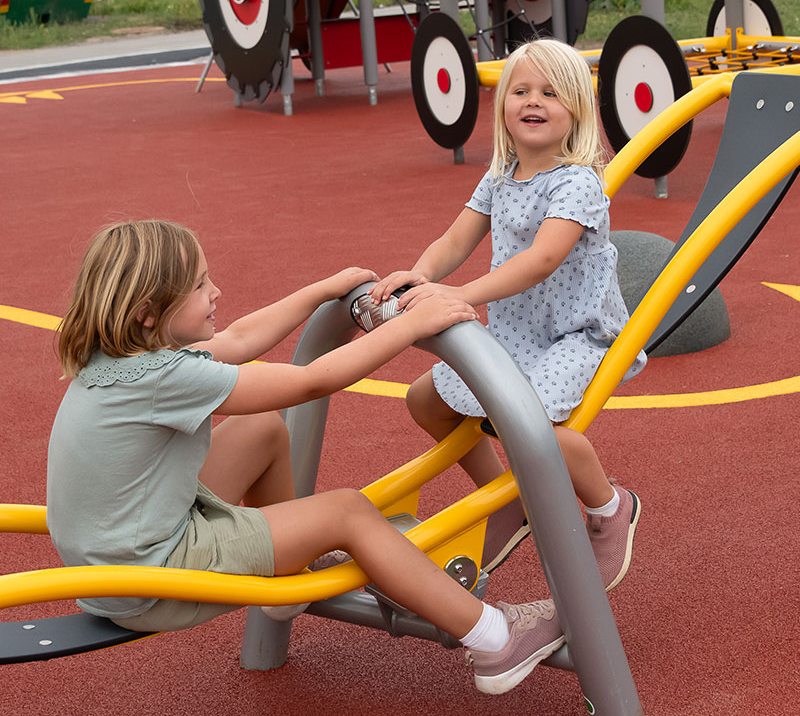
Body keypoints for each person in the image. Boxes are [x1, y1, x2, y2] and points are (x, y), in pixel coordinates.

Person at [46, 219, 567, 695]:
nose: (216, 291)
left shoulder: (122, 357)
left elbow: (240, 337)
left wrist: (320, 291)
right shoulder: (165, 377)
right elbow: (313, 380)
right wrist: (409, 325)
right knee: (346, 511)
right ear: (148, 313)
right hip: (152, 580)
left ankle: (285, 571)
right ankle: (495, 640)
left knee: (259, 429)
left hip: (118, 563)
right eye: (201, 284)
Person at [369, 39, 646, 589]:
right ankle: (506, 497)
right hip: (517, 335)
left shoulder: (579, 182)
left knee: (528, 426)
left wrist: (459, 297)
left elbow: (542, 260)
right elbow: (456, 238)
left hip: (576, 336)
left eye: (550, 92)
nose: (532, 101)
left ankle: (610, 505)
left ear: (577, 110)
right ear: (502, 108)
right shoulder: (501, 176)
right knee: (425, 400)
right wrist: (421, 275)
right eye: (520, 91)